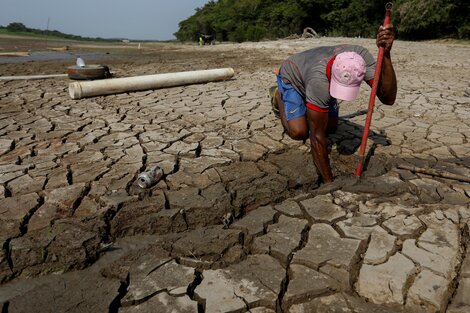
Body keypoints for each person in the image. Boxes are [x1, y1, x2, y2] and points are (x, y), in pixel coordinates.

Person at [270, 25, 397, 184]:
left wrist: (386, 54)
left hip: (313, 75)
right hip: (292, 75)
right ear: (332, 76)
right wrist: (328, 182)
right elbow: (315, 137)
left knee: (331, 128)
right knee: (299, 132)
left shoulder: (360, 58)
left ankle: (310, 102)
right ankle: (278, 96)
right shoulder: (319, 81)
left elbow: (388, 98)